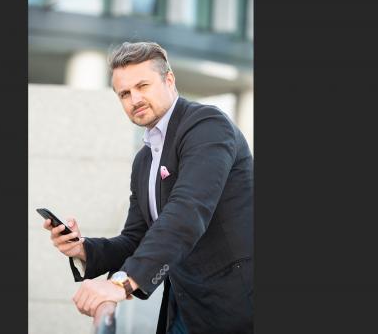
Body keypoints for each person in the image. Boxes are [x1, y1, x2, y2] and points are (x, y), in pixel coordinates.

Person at [43, 41, 253, 334]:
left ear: (169, 80)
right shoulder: (145, 159)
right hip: (185, 307)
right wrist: (84, 250)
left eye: (143, 85)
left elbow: (188, 211)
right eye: (125, 93)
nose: (135, 99)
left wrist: (121, 283)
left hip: (236, 307)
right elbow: (135, 238)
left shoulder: (207, 126)